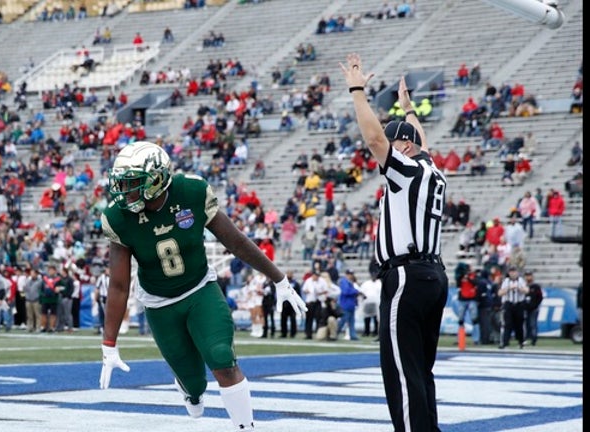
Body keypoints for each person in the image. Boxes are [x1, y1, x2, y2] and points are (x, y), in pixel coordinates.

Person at [97, 141, 307, 431]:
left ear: (156, 179)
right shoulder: (118, 218)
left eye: (132, 184)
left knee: (222, 357)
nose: (124, 192)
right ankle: (189, 388)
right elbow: (119, 286)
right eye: (122, 183)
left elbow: (234, 241)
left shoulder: (191, 193)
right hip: (159, 304)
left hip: (200, 290)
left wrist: (278, 278)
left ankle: (246, 427)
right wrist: (109, 343)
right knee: (194, 383)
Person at [340, 53, 449, 432]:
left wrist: (357, 90)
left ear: (401, 146)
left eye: (393, 144)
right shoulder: (431, 169)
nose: (383, 153)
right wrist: (408, 110)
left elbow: (374, 139)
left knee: (401, 374)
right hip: (433, 275)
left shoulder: (405, 169)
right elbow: (420, 143)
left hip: (407, 276)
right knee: (420, 371)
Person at [497, 266, 529, 349]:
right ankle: (504, 342)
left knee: (519, 324)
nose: (513, 274)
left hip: (519, 304)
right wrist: (508, 289)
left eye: (514, 272)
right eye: (511, 272)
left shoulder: (521, 280)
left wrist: (519, 288)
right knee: (507, 324)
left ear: (517, 272)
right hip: (509, 304)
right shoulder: (506, 281)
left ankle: (521, 342)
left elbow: (526, 290)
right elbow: (500, 293)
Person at [279, 270, 301, 338]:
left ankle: (293, 333)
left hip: (293, 303)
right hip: (285, 303)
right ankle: (283, 333)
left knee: (293, 319)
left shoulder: (296, 283)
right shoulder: (283, 284)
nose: (289, 275)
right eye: (288, 273)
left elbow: (298, 294)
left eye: (290, 274)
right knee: (283, 319)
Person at [523, 270, 542, 346]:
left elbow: (540, 297)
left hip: (533, 308)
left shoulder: (536, 286)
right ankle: (524, 338)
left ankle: (534, 339)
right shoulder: (523, 286)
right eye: (526, 276)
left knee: (533, 324)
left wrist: (535, 305)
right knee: (524, 324)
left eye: (529, 275)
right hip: (525, 308)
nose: (528, 277)